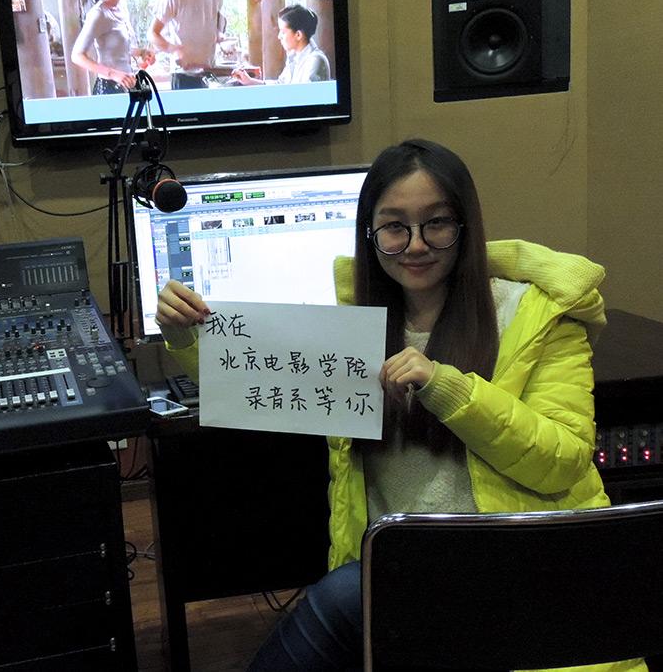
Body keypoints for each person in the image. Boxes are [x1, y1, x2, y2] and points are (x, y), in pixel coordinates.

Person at [155, 139, 646, 672]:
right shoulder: (355, 329)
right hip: (407, 570)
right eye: (394, 227)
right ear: (369, 235)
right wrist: (184, 335)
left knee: (341, 596)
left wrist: (445, 386)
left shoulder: (537, 317)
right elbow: (250, 383)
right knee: (346, 593)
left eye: (437, 223)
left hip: (521, 567)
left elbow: (563, 460)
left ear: (465, 226)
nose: (415, 245)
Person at [71, 0, 154, 95]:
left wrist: (141, 52)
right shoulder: (98, 13)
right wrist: (112, 74)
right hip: (108, 88)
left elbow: (120, 49)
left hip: (128, 85)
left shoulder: (122, 7)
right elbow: (76, 56)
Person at [232, 4, 330, 86]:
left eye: (283, 32)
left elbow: (305, 99)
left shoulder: (315, 61)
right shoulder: (294, 56)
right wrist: (250, 82)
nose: (279, 36)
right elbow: (281, 85)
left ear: (298, 35)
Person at [148, 0, 225, 90]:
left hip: (208, 72)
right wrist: (174, 50)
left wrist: (218, 34)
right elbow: (152, 33)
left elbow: (214, 21)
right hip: (183, 75)